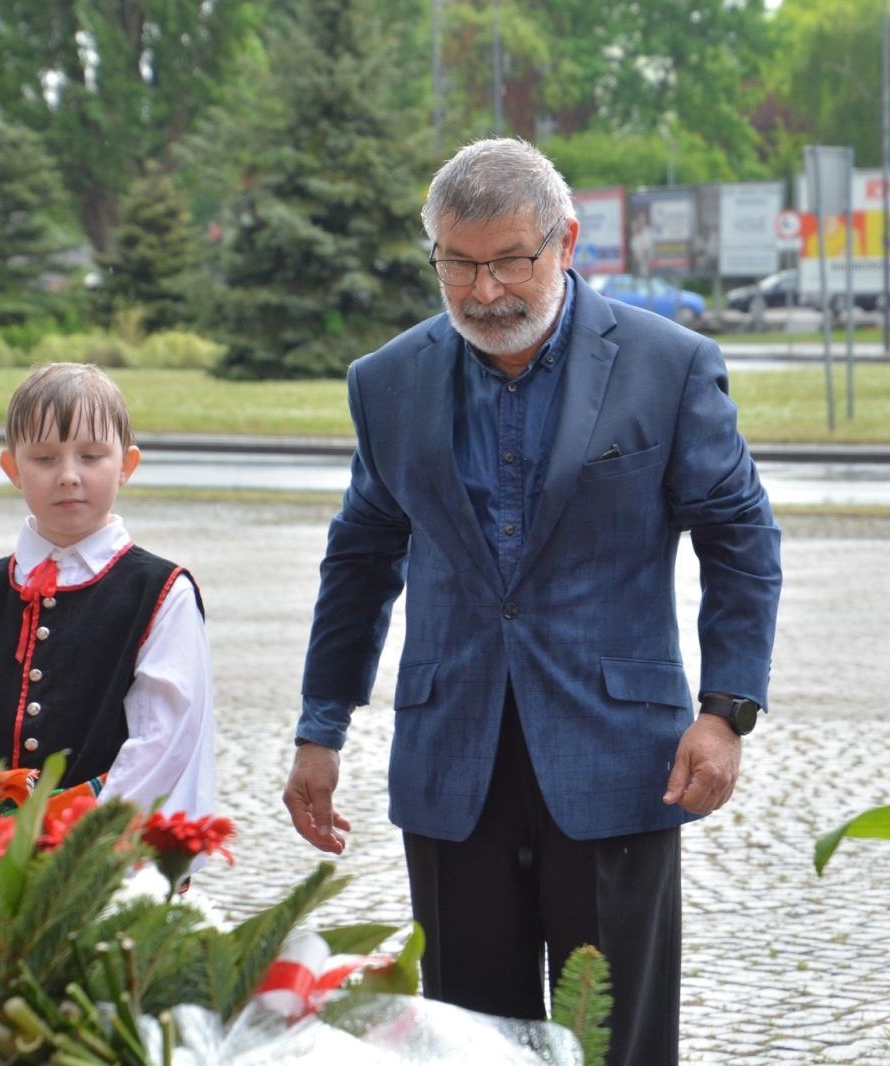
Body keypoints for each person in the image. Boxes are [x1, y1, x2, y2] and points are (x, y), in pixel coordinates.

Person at [282, 138, 782, 1066]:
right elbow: (358, 560)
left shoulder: (668, 367)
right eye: (458, 266)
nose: (484, 293)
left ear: (567, 242)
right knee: (471, 1041)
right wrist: (322, 727)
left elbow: (741, 540)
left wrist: (727, 713)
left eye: (511, 260)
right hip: (452, 765)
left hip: (621, 761)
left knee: (615, 1039)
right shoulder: (385, 382)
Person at [0, 362, 215, 819]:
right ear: (12, 468)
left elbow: (165, 745)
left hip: (106, 863)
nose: (68, 475)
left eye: (91, 456)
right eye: (45, 458)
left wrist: (67, 841)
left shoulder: (162, 595)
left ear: (126, 464)